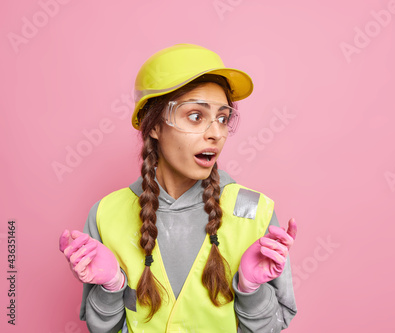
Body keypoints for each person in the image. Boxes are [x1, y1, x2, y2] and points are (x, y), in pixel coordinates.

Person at [59, 43, 298, 333]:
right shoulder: (106, 215)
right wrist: (112, 287)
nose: (215, 134)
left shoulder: (256, 212)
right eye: (196, 116)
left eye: (223, 118)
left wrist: (250, 289)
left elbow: (274, 326)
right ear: (155, 125)